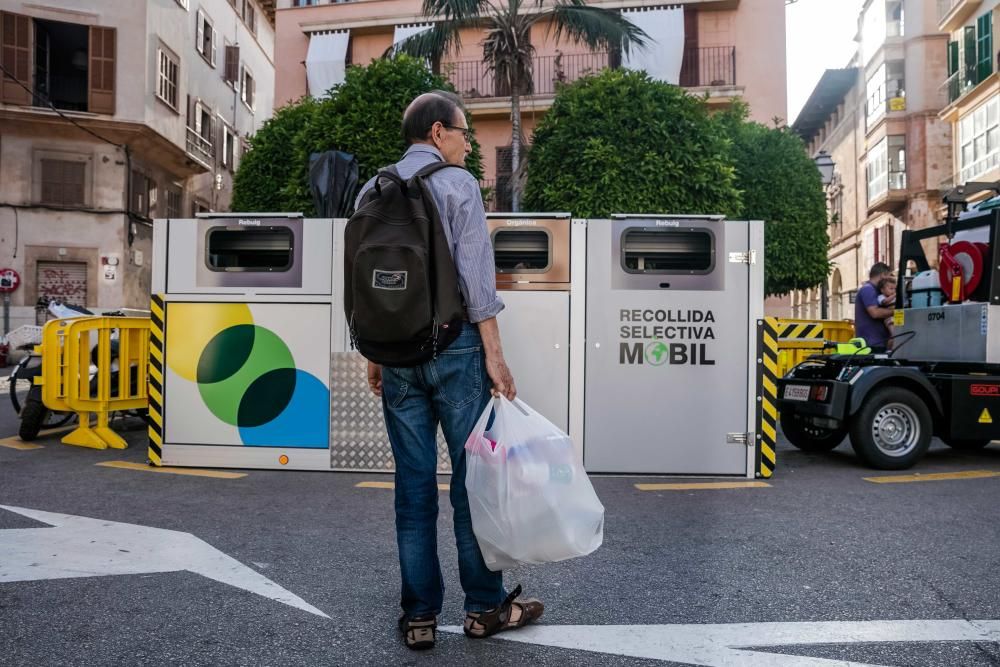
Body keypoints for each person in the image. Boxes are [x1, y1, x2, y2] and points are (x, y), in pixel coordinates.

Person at [355, 90, 543, 651]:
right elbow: (476, 281)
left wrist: (374, 353)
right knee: (470, 483)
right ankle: (485, 607)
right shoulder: (458, 185)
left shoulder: (374, 187)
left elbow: (368, 285)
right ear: (438, 133)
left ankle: (419, 616)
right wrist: (495, 355)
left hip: (395, 357)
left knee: (412, 488)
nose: (468, 144)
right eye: (464, 133)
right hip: (455, 350)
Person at [854, 262, 894, 352]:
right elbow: (874, 313)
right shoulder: (868, 289)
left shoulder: (878, 291)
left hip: (877, 342)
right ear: (883, 275)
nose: (890, 281)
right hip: (871, 344)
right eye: (889, 276)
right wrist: (895, 311)